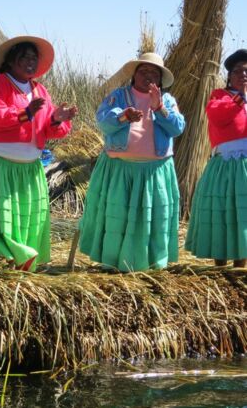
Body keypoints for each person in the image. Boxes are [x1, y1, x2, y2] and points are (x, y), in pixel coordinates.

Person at [0, 36, 77, 271]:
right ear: (11, 61)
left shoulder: (40, 90)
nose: (30, 62)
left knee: (24, 219)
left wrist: (56, 118)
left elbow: (47, 130)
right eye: (24, 57)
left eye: (33, 58)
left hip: (28, 170)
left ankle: (18, 262)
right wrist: (25, 113)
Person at [78, 53, 185, 272]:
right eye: (143, 71)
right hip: (119, 170)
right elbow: (103, 121)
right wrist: (124, 116)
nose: (148, 75)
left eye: (154, 72)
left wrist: (159, 108)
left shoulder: (168, 100)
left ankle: (151, 263)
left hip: (154, 172)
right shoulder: (118, 96)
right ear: (134, 74)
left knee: (152, 217)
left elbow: (178, 128)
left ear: (160, 79)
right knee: (117, 217)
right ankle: (112, 263)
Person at [185, 49, 247, 267]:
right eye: (239, 70)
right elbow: (218, 117)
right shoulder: (220, 96)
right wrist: (240, 99)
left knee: (243, 213)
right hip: (226, 165)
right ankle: (219, 265)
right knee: (223, 211)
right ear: (229, 75)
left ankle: (241, 263)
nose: (244, 74)